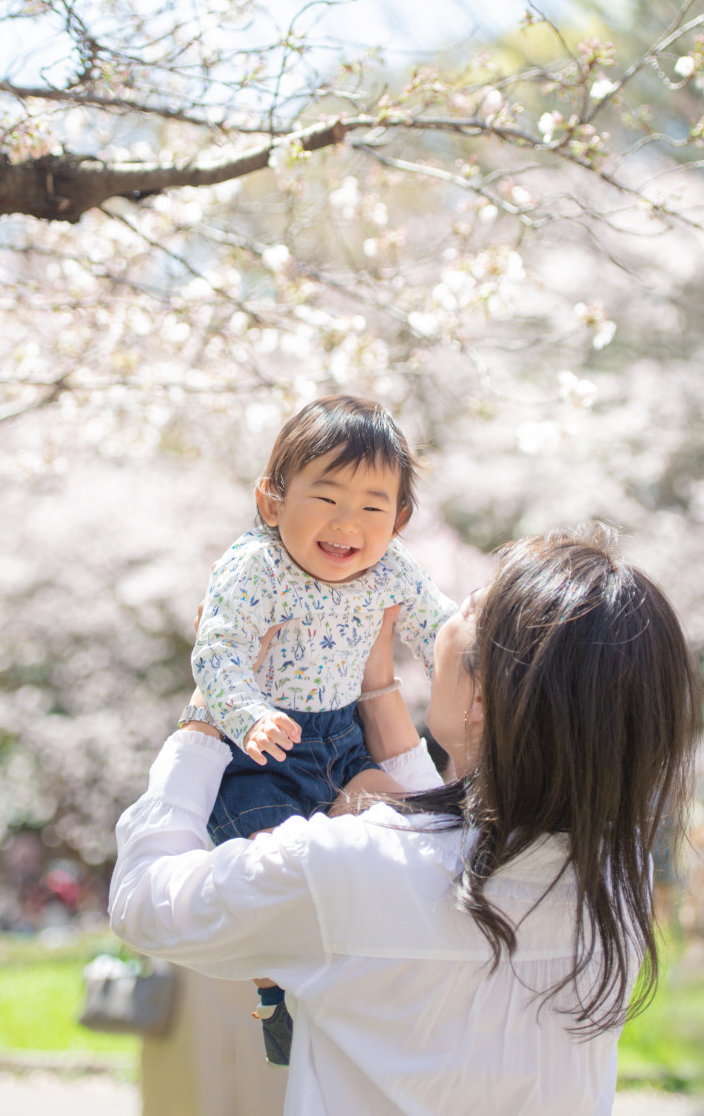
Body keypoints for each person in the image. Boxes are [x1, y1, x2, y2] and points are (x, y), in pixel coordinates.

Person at [110, 528, 702, 1115]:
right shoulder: (614, 882)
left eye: (466, 608)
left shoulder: (346, 867)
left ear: (480, 700)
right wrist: (377, 689)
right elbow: (453, 847)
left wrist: (212, 705)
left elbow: (145, 902)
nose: (442, 614)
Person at [185, 394, 455, 1059]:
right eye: (325, 498)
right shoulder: (256, 566)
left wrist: (501, 664)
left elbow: (446, 633)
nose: (346, 524)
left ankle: (373, 986)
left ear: (399, 520)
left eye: (370, 507)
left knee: (405, 827)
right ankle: (278, 998)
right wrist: (246, 712)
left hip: (341, 741)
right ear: (272, 502)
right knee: (277, 878)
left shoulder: (392, 571)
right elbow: (216, 649)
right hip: (262, 754)